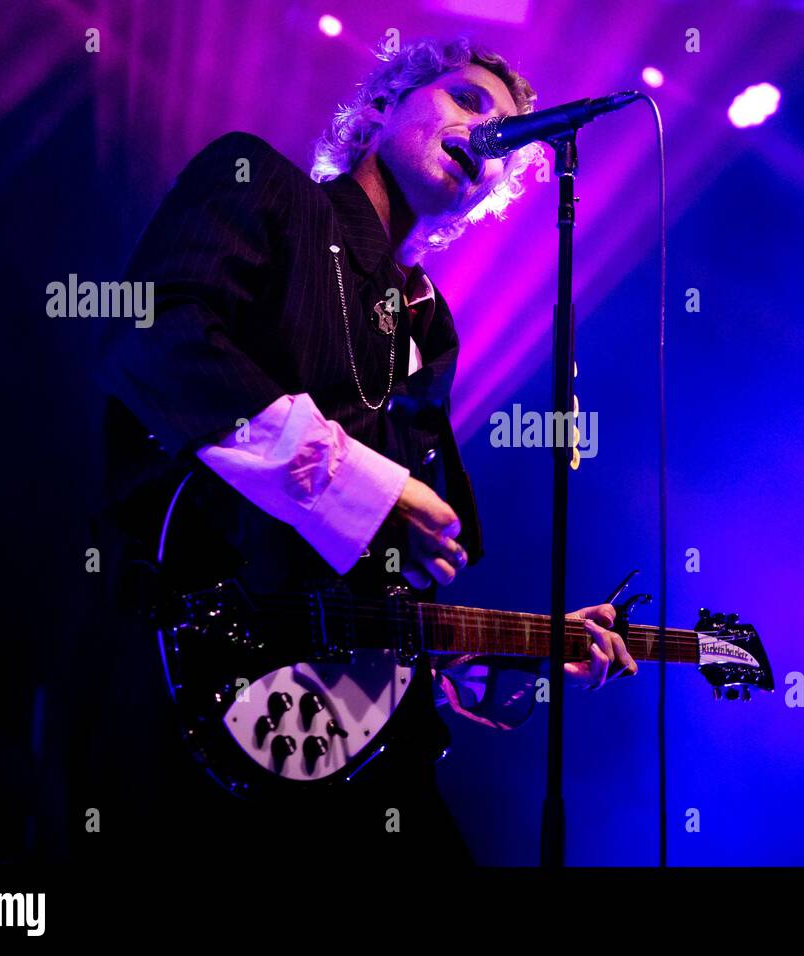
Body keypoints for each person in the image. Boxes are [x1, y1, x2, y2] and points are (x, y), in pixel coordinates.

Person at [76, 36, 637, 869]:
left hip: (351, 721)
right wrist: (378, 488)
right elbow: (160, 335)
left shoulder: (428, 323)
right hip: (200, 662)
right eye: (467, 102)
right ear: (382, 106)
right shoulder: (263, 186)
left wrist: (520, 642)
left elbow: (374, 575)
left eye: (511, 136)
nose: (491, 137)